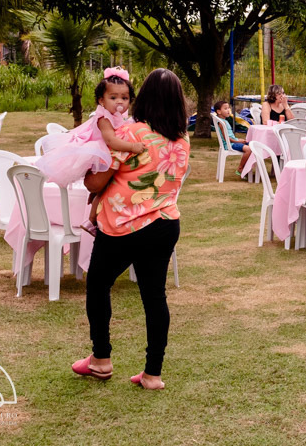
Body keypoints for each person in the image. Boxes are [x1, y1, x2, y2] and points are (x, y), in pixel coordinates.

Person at [71, 68, 189, 390]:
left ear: (143, 98)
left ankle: (101, 359)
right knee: (154, 298)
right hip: (165, 224)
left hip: (124, 225)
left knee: (98, 284)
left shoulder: (131, 133)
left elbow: (97, 180)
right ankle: (152, 374)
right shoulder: (183, 139)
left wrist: (87, 173)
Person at [35, 67, 146, 234]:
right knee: (104, 186)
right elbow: (111, 140)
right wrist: (132, 147)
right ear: (101, 101)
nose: (120, 102)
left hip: (107, 155)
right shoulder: (103, 118)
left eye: (125, 98)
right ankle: (92, 219)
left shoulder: (118, 116)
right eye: (113, 97)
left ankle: (92, 218)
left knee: (107, 187)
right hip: (99, 154)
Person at [213, 100, 252, 176]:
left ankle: (248, 169)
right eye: (225, 108)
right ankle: (240, 168)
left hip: (233, 142)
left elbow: (230, 137)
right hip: (230, 144)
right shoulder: (222, 123)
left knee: (252, 144)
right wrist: (238, 141)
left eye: (228, 108)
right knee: (249, 149)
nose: (228, 110)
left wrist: (238, 140)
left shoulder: (224, 121)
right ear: (219, 111)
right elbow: (227, 139)